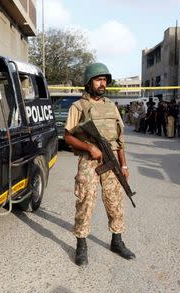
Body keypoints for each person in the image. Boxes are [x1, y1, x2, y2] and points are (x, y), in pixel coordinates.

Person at [64, 62, 135, 266]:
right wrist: (89, 148)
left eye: (104, 80)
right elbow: (67, 137)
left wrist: (124, 165)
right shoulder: (79, 107)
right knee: (85, 201)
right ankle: (81, 245)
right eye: (98, 79)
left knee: (115, 201)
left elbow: (120, 140)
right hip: (90, 160)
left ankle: (117, 241)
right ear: (89, 82)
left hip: (111, 160)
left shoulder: (112, 106)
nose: (102, 83)